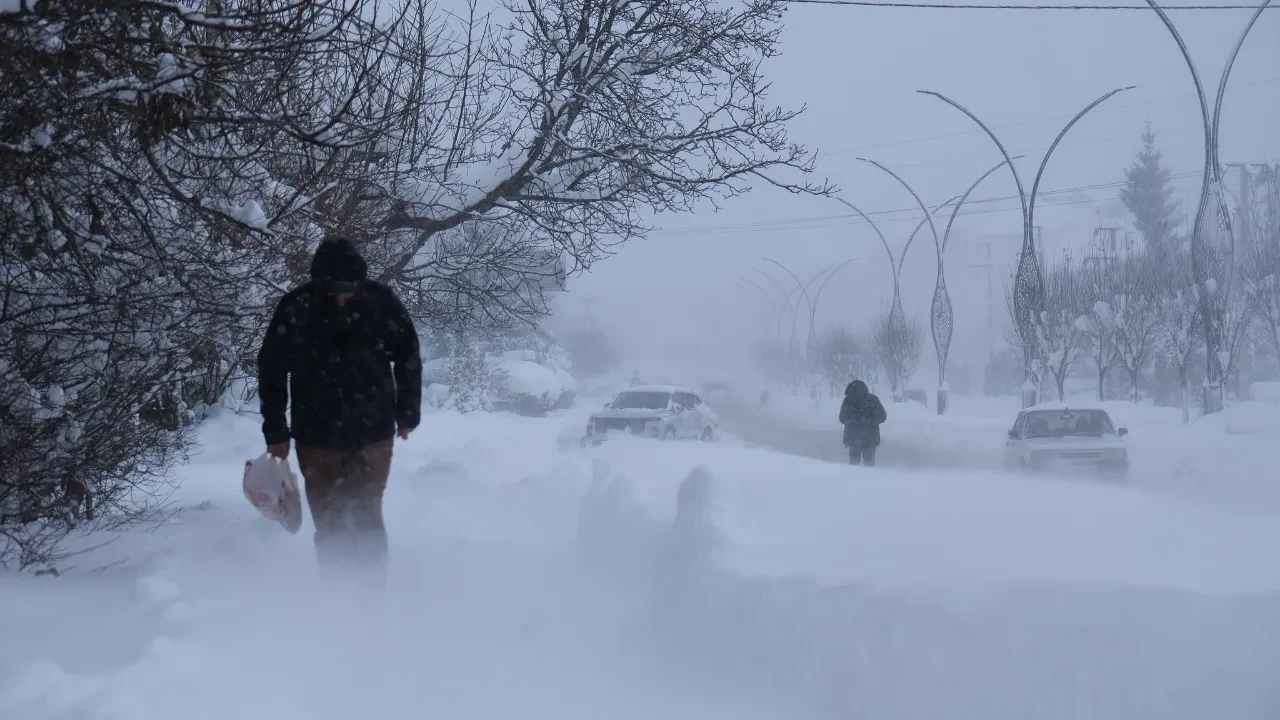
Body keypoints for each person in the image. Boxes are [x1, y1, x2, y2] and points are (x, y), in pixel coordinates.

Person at [257, 238, 422, 582]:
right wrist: (275, 431)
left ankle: (372, 592)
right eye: (334, 290)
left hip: (373, 433)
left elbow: (408, 357)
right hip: (316, 434)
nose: (342, 297)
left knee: (367, 515)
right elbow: (272, 369)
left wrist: (407, 414)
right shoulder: (296, 308)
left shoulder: (382, 303)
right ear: (319, 283)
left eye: (349, 289)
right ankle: (337, 595)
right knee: (328, 518)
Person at [838, 380, 886, 467]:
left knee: (861, 464)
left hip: (866, 438)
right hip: (860, 438)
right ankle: (862, 479)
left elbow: (882, 416)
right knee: (862, 464)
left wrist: (869, 422)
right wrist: (853, 422)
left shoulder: (872, 400)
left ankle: (857, 479)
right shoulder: (849, 401)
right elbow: (842, 418)